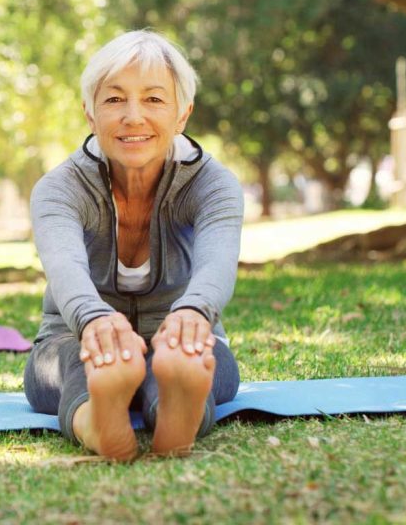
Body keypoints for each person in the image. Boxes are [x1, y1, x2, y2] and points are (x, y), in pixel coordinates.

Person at [24, 30, 243, 460]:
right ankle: (99, 421)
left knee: (204, 363)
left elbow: (218, 261)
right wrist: (94, 323)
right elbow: (64, 267)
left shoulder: (213, 184)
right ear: (90, 114)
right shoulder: (59, 189)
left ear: (183, 114)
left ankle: (177, 411)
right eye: (114, 99)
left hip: (183, 335)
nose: (133, 116)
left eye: (154, 100)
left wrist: (193, 313)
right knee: (77, 364)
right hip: (74, 339)